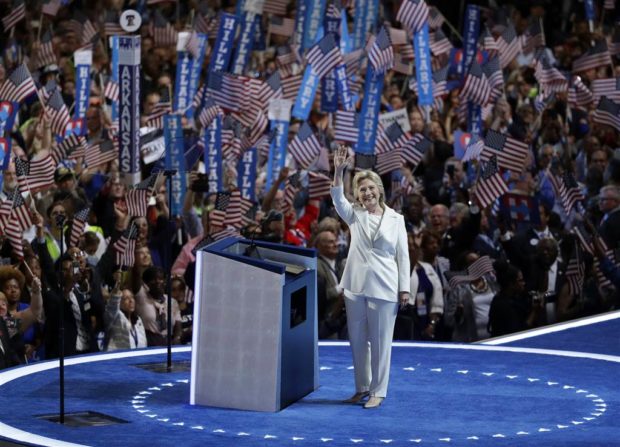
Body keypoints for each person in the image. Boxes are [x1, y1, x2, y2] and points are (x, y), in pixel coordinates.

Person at [331, 146, 410, 409]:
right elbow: (337, 200)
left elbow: (403, 256)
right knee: (357, 341)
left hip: (385, 287)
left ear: (379, 189)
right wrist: (339, 171)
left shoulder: (396, 219)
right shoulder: (355, 215)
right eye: (361, 189)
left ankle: (379, 391)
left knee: (380, 342)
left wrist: (405, 289)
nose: (366, 193)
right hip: (355, 285)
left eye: (370, 188)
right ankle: (361, 388)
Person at [104, 274, 147, 351]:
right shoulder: (115, 317)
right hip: (118, 360)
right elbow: (112, 305)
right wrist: (117, 286)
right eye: (126, 298)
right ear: (119, 302)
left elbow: (144, 343)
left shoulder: (138, 320)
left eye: (132, 297)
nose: (131, 301)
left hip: (137, 360)